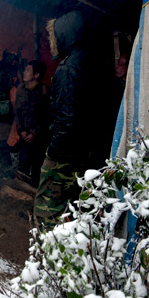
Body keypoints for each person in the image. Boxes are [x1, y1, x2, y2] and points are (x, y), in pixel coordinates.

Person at [34, 11, 105, 228]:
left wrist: (53, 152)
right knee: (76, 200)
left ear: (66, 35)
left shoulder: (67, 69)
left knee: (48, 205)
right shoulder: (93, 61)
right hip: (86, 149)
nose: (51, 42)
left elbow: (67, 117)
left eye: (53, 37)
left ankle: (48, 251)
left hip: (66, 150)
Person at [14, 60, 49, 186]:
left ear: (37, 75)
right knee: (22, 163)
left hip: (38, 137)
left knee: (37, 164)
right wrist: (22, 130)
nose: (24, 72)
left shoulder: (44, 90)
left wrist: (34, 134)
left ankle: (35, 191)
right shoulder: (21, 89)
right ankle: (20, 190)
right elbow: (17, 111)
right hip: (24, 134)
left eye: (28, 70)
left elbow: (46, 116)